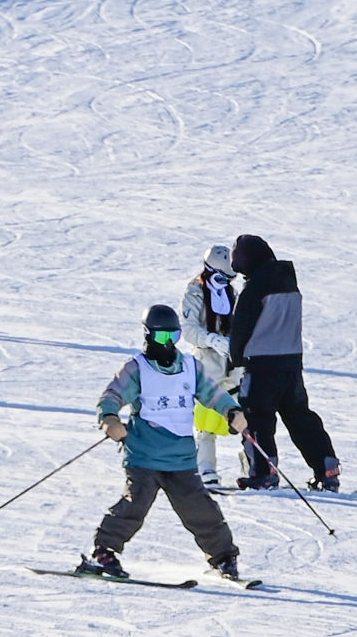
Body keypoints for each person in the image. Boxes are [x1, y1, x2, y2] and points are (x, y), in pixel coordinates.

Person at [79, 304, 247, 580]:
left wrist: (232, 411)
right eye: (161, 338)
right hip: (144, 455)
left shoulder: (190, 367)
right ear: (148, 336)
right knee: (135, 503)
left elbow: (213, 394)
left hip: (180, 458)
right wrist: (109, 418)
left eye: (174, 337)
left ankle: (224, 557)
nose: (168, 344)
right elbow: (112, 396)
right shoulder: (137, 368)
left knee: (199, 507)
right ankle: (104, 552)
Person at [227, 234, 339, 491]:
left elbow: (241, 328)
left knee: (256, 419)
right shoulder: (289, 282)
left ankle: (263, 472)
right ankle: (327, 466)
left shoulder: (255, 288)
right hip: (291, 363)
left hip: (262, 365)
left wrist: (235, 359)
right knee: (300, 417)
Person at [180, 244, 243, 488]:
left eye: (230, 279)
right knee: (206, 418)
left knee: (243, 413)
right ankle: (206, 469)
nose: (226, 283)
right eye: (221, 278)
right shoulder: (195, 293)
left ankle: (252, 467)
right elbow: (188, 329)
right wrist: (211, 340)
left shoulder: (231, 294)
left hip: (233, 364)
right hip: (208, 363)